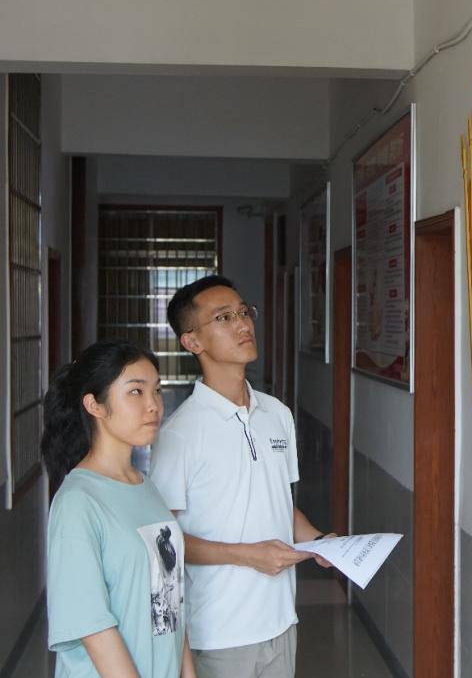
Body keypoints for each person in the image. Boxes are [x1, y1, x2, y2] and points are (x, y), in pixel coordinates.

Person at [148, 275, 333, 678]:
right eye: (224, 317)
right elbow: (163, 544)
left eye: (244, 312)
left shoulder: (277, 414)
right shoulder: (180, 434)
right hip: (218, 632)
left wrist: (318, 542)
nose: (243, 324)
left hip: (281, 621)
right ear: (192, 342)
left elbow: (279, 503)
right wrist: (247, 555)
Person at [42, 340, 196, 678]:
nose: (154, 405)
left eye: (156, 391)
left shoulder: (146, 487)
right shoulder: (77, 502)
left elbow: (171, 602)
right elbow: (94, 628)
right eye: (136, 392)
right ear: (94, 405)